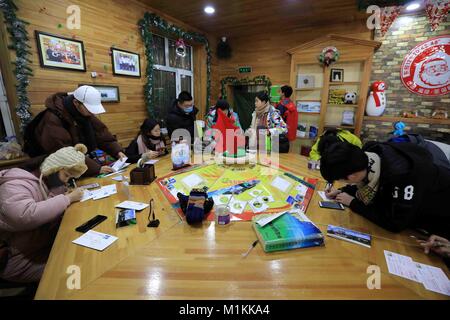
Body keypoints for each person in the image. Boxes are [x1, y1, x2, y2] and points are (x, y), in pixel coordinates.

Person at [320, 141, 450, 237]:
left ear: (352, 176)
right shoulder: (369, 156)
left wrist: (353, 203)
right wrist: (344, 191)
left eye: (340, 179)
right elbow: (365, 181)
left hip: (439, 220)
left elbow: (394, 223)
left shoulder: (401, 176)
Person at [0, 144, 88, 283]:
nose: (66, 180)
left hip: (40, 248)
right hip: (17, 261)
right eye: (66, 175)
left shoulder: (44, 183)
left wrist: (60, 191)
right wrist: (67, 198)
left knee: (81, 257)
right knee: (75, 271)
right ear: (53, 168)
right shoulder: (14, 185)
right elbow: (26, 215)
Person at [33, 85, 126, 177]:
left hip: (80, 163)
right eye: (89, 109)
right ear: (76, 103)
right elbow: (63, 152)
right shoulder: (52, 119)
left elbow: (102, 135)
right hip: (58, 170)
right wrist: (96, 169)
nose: (92, 113)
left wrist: (117, 151)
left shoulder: (85, 113)